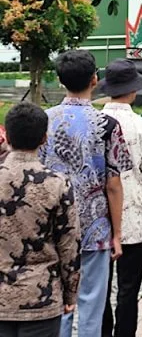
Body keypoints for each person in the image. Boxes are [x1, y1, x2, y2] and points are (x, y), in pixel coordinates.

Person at [39, 50, 133, 337]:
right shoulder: (108, 125)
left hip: (53, 228)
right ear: (95, 79)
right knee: (92, 305)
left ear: (59, 80)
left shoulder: (44, 120)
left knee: (59, 302)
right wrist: (117, 234)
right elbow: (114, 183)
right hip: (95, 229)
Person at [0, 102, 80, 337]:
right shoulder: (57, 183)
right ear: (45, 138)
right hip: (41, 298)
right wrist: (70, 293)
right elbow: (69, 245)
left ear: (8, 135)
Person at [99, 60, 142, 337]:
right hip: (134, 216)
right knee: (129, 289)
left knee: (99, 289)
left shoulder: (94, 123)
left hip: (97, 219)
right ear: (133, 91)